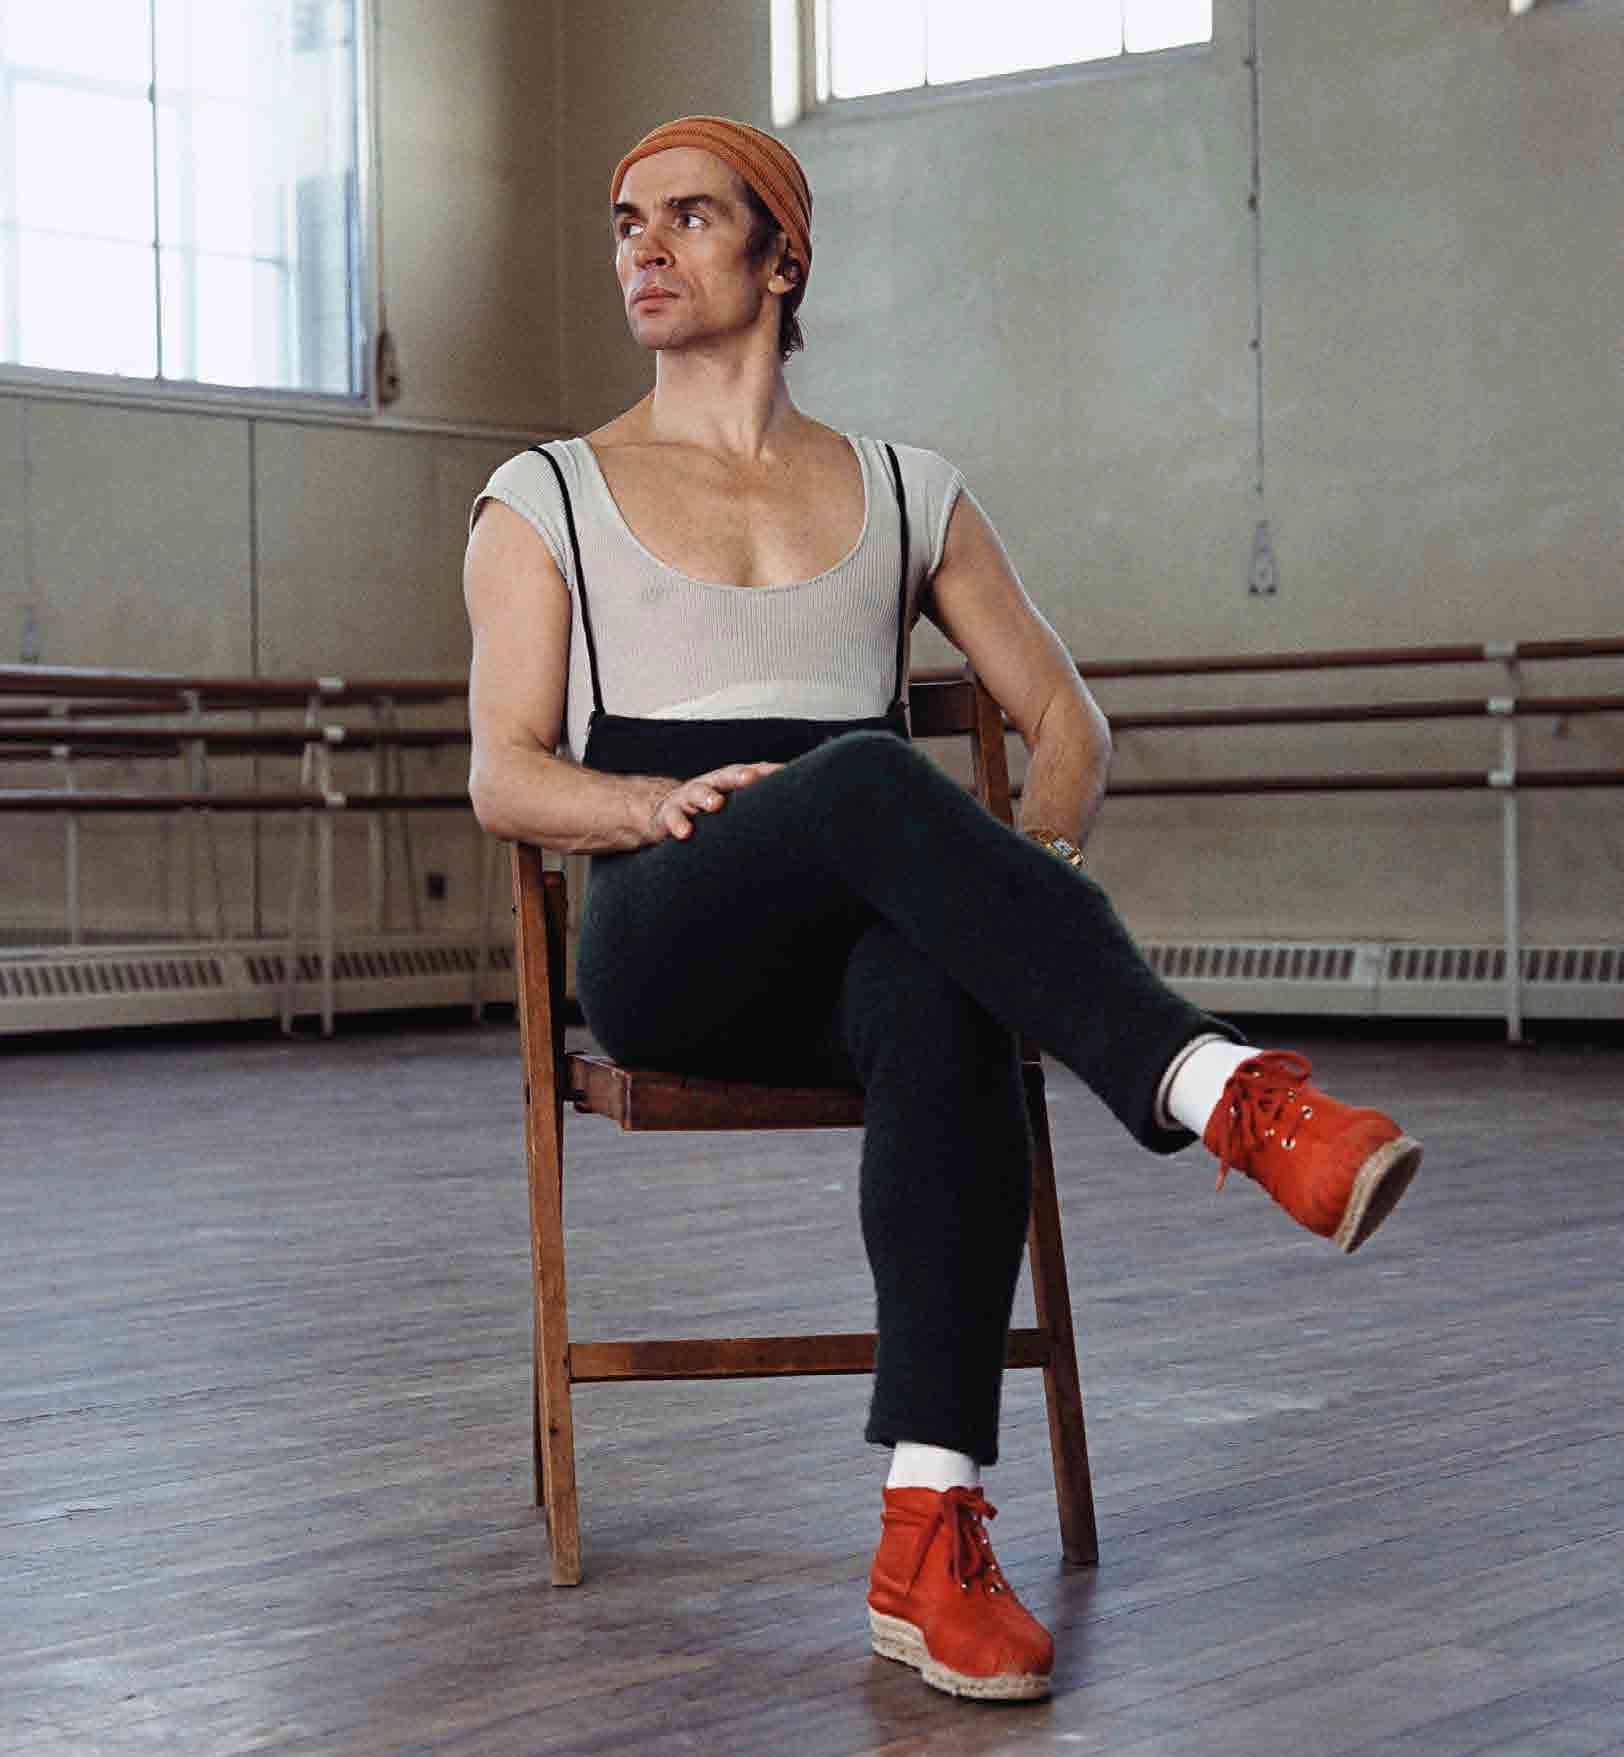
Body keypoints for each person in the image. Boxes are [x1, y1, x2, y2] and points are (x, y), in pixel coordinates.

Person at [462, 115, 1423, 1705]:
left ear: (782, 256)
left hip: (855, 939)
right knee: (860, 776)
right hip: (666, 930)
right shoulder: (544, 494)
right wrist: (644, 806)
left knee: (943, 978)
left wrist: (1017, 894)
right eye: (627, 219)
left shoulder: (910, 491)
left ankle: (931, 1528)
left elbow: (1068, 724)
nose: (643, 246)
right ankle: (1225, 1094)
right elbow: (503, 773)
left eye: (689, 216)